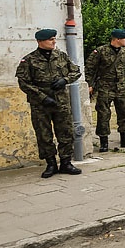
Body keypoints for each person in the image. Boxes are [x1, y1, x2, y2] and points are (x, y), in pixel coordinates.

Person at [16, 28, 83, 178]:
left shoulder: (61, 56)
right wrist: (42, 97)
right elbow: (24, 83)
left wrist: (64, 80)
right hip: (41, 105)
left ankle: (66, 163)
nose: (54, 42)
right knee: (44, 135)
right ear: (40, 42)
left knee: (65, 132)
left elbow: (76, 71)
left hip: (61, 102)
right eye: (50, 39)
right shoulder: (29, 60)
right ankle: (51, 164)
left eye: (54, 38)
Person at [85, 28, 125, 152]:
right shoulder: (101, 51)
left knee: (124, 113)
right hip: (105, 87)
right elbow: (90, 68)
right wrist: (89, 84)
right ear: (117, 39)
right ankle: (104, 141)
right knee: (103, 114)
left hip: (121, 87)